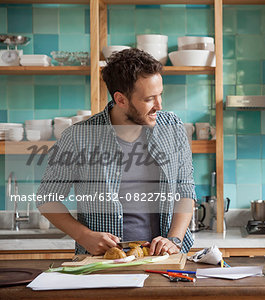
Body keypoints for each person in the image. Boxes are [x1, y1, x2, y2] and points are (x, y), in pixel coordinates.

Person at [36, 48, 196, 256]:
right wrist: (84, 236)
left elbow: (185, 189)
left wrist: (173, 239)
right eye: (149, 99)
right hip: (103, 259)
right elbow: (47, 198)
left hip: (163, 258)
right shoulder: (78, 137)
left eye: (160, 95)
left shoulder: (172, 127)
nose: (159, 105)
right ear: (120, 100)